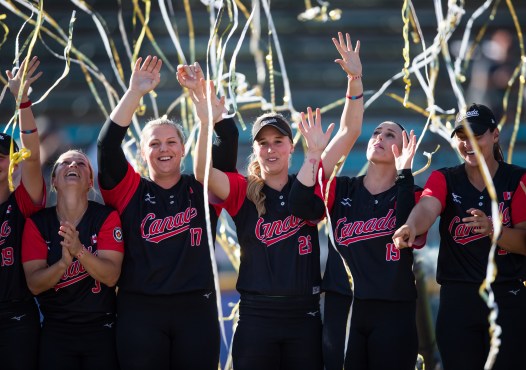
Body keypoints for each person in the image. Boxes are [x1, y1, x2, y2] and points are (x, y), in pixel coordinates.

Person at [193, 32, 363, 370]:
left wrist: (355, 80)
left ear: (291, 146)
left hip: (305, 316)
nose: (271, 149)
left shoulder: (310, 176)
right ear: (255, 150)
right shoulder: (243, 189)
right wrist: (205, 121)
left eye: (278, 141)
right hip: (257, 318)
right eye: (264, 143)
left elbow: (349, 132)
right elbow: (202, 172)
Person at [97, 56, 238, 370]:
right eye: (155, 143)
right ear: (142, 152)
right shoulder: (129, 189)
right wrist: (135, 92)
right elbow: (107, 146)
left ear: (184, 149)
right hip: (139, 310)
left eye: (172, 141)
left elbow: (227, 142)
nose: (164, 149)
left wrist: (206, 101)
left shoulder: (203, 186)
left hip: (196, 309)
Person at [393, 103, 526, 370]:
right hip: (458, 300)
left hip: (507, 297)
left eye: (477, 136)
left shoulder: (517, 179)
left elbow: (524, 243)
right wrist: (411, 226)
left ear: (495, 135)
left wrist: (493, 230)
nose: (468, 144)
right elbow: (427, 208)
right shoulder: (445, 179)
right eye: (463, 137)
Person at [21, 150, 124, 370]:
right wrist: (62, 265)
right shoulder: (37, 224)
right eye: (64, 163)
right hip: (56, 330)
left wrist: (79, 251)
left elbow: (111, 276)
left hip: (101, 327)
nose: (72, 165)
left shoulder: (106, 217)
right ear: (54, 180)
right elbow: (34, 284)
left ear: (90, 181)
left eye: (80, 163)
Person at [0, 56, 45, 370]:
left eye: (3, 155)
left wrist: (22, 101)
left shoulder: (23, 202)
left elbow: (32, 157)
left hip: (16, 317)